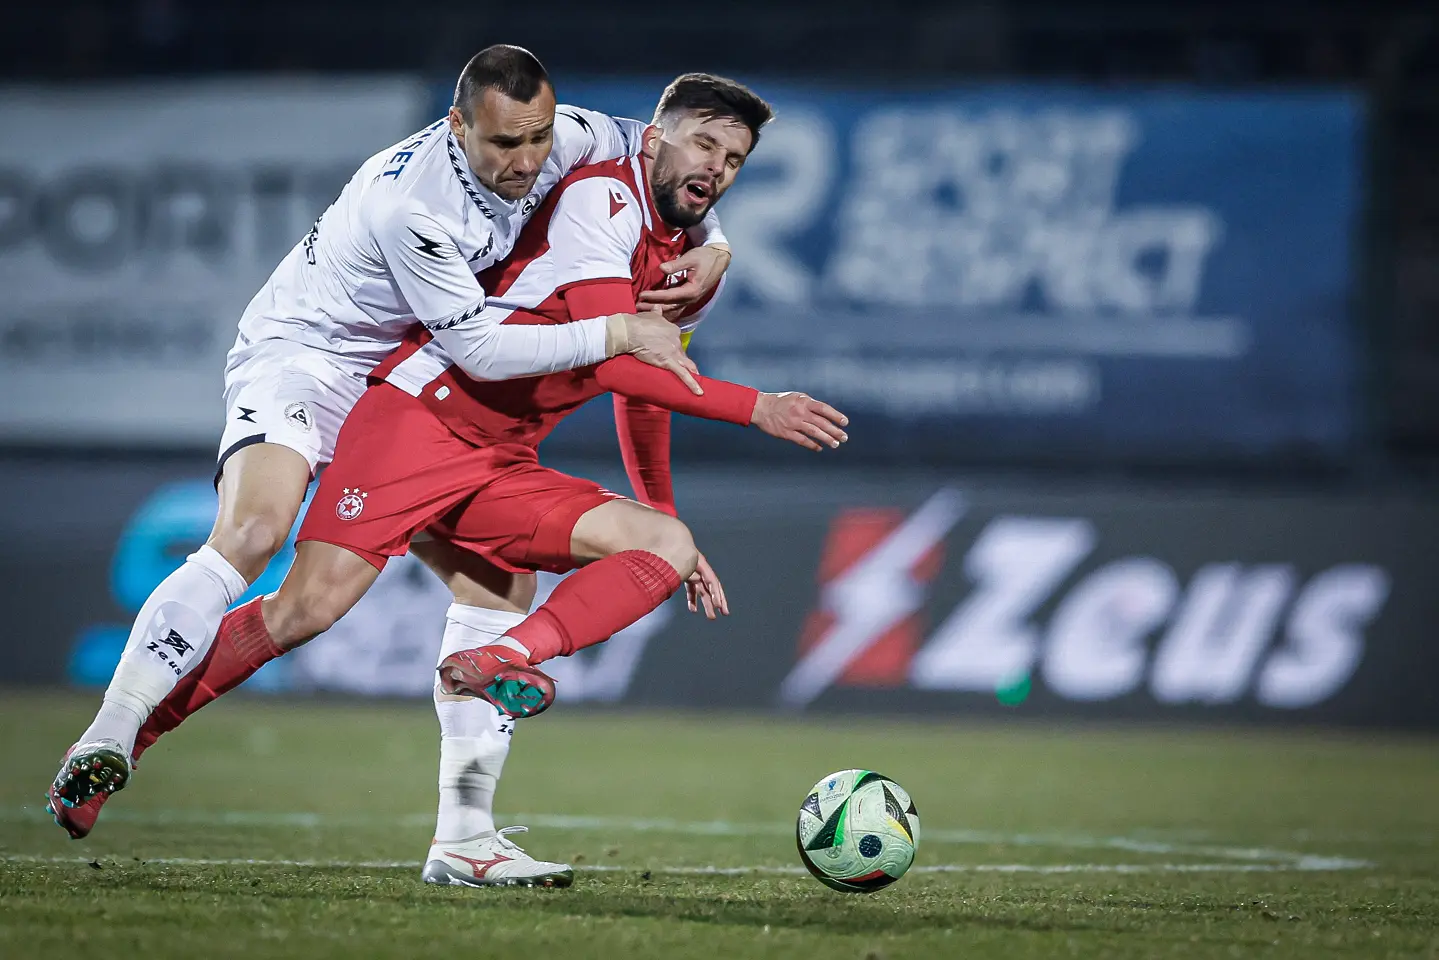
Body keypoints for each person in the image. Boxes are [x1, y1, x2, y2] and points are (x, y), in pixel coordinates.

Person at [56, 73, 848, 889]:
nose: (716, 167)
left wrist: (715, 252)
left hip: (497, 449)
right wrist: (756, 406)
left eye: (734, 159)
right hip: (408, 408)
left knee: (648, 550)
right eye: (704, 146)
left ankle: (468, 823)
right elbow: (609, 360)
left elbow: (652, 376)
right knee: (301, 601)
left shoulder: (657, 222)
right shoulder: (584, 205)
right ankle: (119, 737)